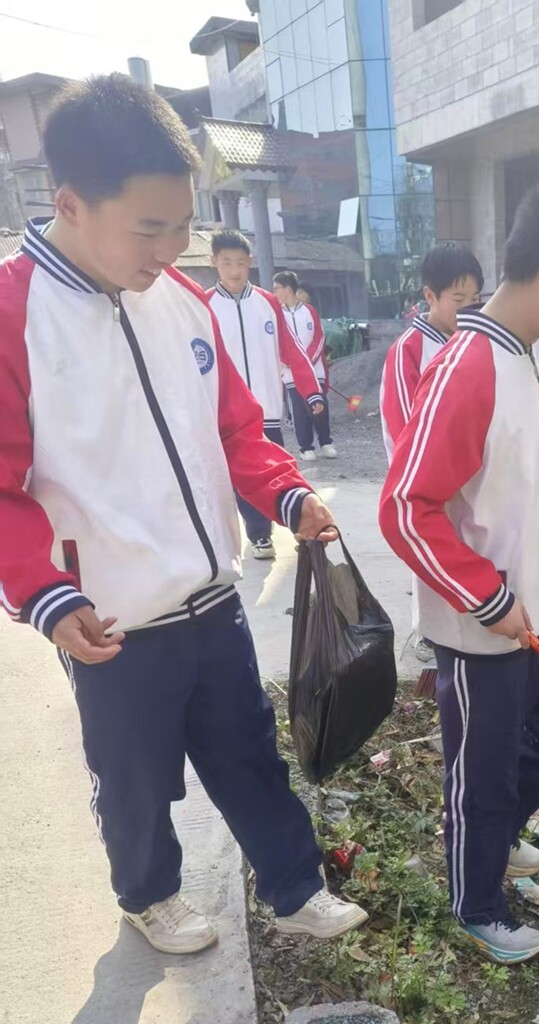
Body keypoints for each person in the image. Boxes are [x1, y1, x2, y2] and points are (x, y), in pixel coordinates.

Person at [0, 75, 367, 955]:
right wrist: (43, 592)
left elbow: (236, 428)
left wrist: (287, 493)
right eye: (149, 228)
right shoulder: (14, 316)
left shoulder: (182, 301)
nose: (171, 250)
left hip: (212, 594)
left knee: (248, 751)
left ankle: (294, 887)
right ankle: (149, 894)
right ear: (72, 204)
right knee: (133, 776)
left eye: (183, 226)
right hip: (113, 622)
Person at [378, 177, 539, 964]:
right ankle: (477, 902)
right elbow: (404, 507)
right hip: (485, 627)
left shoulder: (526, 356)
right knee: (482, 772)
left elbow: (517, 486)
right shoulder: (469, 366)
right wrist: (487, 597)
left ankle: (487, 831)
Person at [208, 230, 325, 560]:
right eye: (227, 263)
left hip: (267, 409)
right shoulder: (203, 306)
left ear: (250, 263)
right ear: (213, 261)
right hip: (225, 415)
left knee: (271, 470)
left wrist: (311, 392)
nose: (234, 271)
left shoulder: (268, 304)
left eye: (240, 263)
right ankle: (258, 533)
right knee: (239, 475)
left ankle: (280, 524)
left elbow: (292, 350)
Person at [380, 241, 484, 461]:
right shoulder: (407, 351)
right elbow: (407, 435)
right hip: (427, 474)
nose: (469, 308)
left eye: (475, 299)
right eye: (458, 299)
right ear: (430, 296)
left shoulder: (476, 343)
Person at [272, 270, 336, 462]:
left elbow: (319, 338)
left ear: (287, 289)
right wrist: (290, 363)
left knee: (319, 405)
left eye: (276, 288)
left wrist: (306, 362)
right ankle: (305, 446)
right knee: (299, 410)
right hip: (290, 372)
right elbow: (276, 343)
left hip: (315, 370)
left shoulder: (309, 311)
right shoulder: (276, 315)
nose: (274, 293)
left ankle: (326, 442)